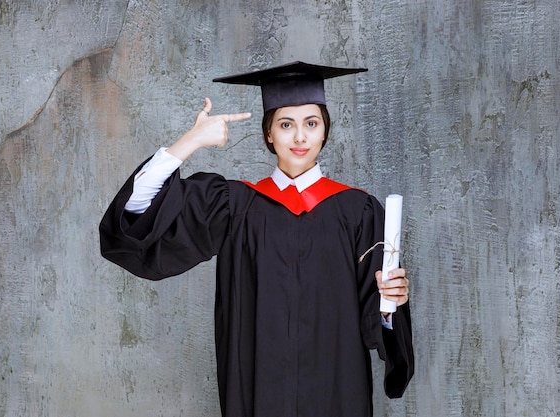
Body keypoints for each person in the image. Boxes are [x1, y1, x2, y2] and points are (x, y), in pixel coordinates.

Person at [99, 61, 414, 417]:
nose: (299, 137)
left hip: (335, 394)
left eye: (311, 123)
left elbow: (377, 319)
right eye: (285, 124)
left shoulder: (358, 212)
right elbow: (137, 213)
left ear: (325, 131)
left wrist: (391, 304)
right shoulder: (234, 207)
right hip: (257, 394)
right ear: (268, 134)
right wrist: (192, 141)